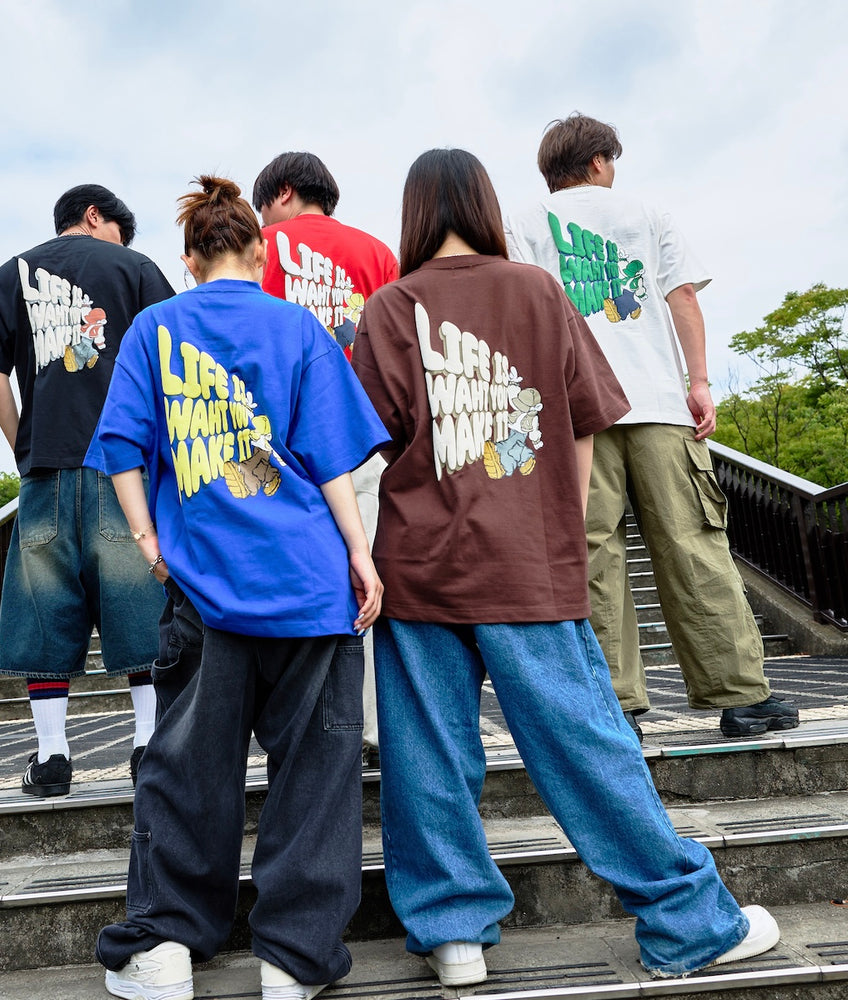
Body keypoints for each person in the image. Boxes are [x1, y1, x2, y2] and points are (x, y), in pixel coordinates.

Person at [351, 147, 780, 986]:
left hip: (419, 565)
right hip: (529, 559)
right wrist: (561, 517)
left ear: (412, 214)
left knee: (426, 756)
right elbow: (584, 420)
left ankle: (453, 935)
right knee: (585, 744)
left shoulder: (389, 307)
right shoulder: (539, 292)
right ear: (482, 205)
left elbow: (368, 441)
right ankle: (686, 920)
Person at [87, 176, 388, 1000]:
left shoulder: (154, 328)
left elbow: (118, 448)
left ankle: (165, 947)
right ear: (261, 254)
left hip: (203, 590)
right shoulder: (295, 326)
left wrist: (151, 543)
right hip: (310, 588)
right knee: (317, 774)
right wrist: (361, 558)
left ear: (188, 260)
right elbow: (331, 460)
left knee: (186, 771)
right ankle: (292, 959)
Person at [507, 114, 799, 741]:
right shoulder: (648, 213)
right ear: (598, 162)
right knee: (693, 542)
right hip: (659, 404)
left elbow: (522, 314)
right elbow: (683, 298)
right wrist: (699, 382)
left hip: (576, 410)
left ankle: (616, 706)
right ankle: (741, 697)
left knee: (592, 550)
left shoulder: (525, 223)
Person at [0, 184, 176, 796]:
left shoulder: (6, 275)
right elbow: (169, 365)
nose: (121, 246)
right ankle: (146, 745)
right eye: (117, 231)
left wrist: (22, 448)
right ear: (94, 216)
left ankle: (52, 756)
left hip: (46, 466)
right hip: (123, 466)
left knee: (43, 608)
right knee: (140, 603)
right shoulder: (136, 269)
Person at [252, 151, 398, 765]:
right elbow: (397, 351)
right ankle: (364, 728)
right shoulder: (377, 253)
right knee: (364, 583)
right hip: (358, 438)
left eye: (264, 204)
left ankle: (287, 728)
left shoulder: (253, 248)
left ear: (283, 193)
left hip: (270, 445)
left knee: (275, 578)